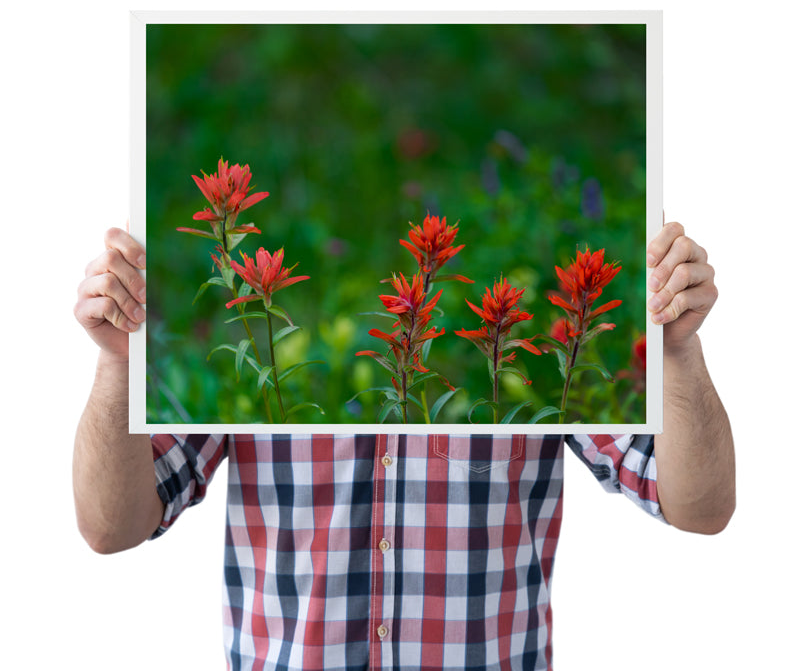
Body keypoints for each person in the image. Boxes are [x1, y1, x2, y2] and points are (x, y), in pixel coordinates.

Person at [73, 222, 735, 671]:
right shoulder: (247, 329)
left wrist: (678, 350)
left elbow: (700, 507)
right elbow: (111, 525)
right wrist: (116, 365)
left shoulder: (537, 363)